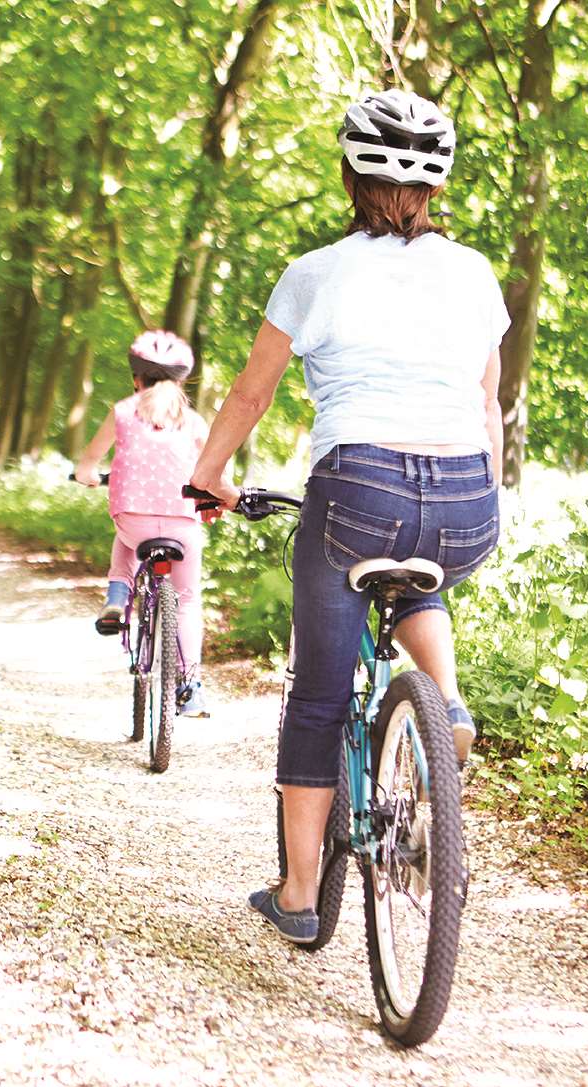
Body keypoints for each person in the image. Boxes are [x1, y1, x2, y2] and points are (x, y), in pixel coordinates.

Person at [188, 89, 508, 944]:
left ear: (348, 176)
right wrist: (491, 501)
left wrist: (208, 474)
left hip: (357, 487)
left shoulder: (315, 272)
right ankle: (445, 704)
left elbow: (252, 393)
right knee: (419, 571)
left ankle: (297, 895)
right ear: (438, 186)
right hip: (467, 499)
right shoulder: (475, 273)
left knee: (323, 697)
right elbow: (489, 408)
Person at [75, 330, 213, 717]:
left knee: (126, 535)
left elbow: (89, 462)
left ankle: (117, 599)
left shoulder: (122, 411)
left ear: (137, 378)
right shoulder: (193, 420)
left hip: (132, 521)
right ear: (180, 381)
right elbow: (216, 469)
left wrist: (87, 474)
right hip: (183, 523)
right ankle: (190, 687)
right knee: (187, 600)